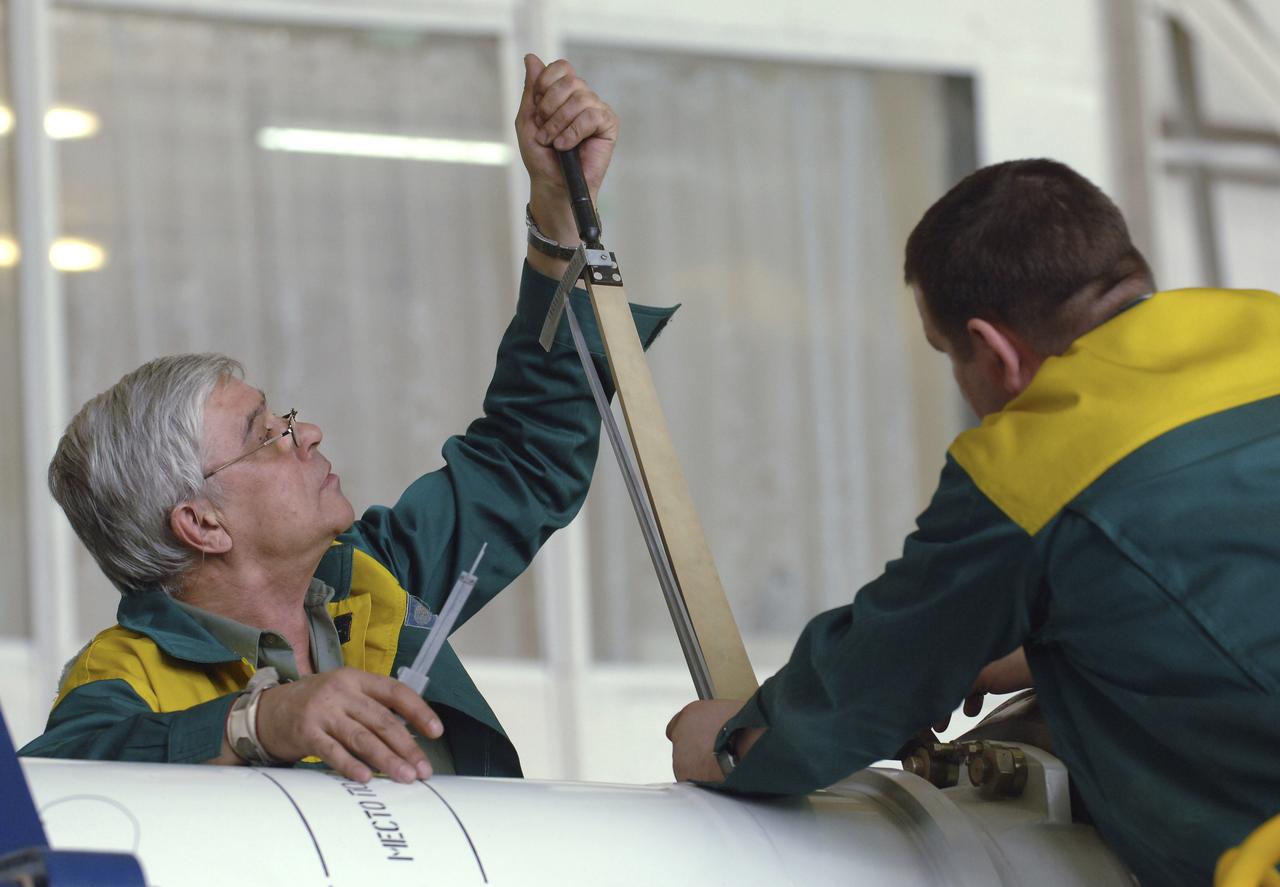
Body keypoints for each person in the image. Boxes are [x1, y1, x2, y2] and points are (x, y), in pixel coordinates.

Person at [20, 54, 676, 786]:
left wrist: (558, 215)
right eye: (266, 435)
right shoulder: (124, 674)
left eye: (285, 419)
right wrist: (260, 720)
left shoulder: (371, 577)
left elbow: (524, 459)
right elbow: (56, 784)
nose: (308, 434)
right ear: (201, 523)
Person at [666, 158, 1280, 886]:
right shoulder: (1261, 324)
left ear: (994, 352)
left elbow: (869, 685)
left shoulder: (1032, 466)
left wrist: (734, 741)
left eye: (947, 354)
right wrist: (1055, 640)